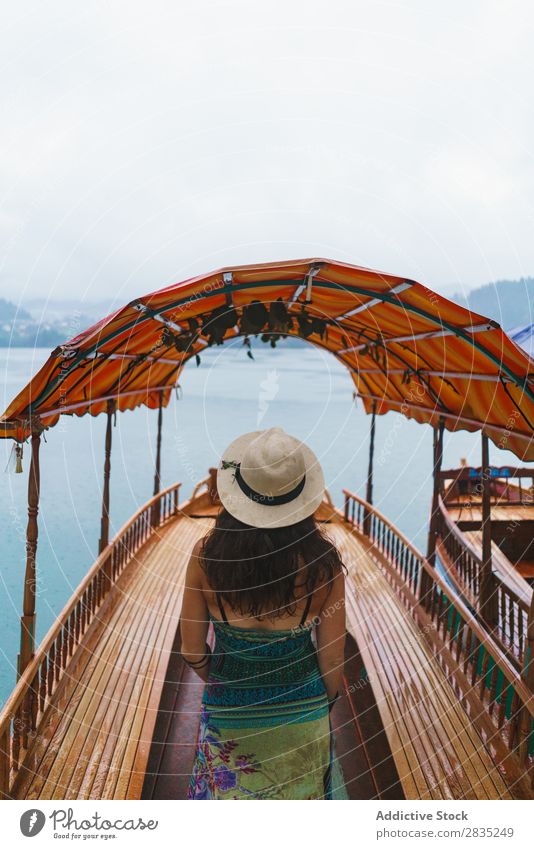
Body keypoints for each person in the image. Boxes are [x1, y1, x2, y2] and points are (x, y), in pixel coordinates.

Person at [180, 427, 346, 800]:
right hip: (304, 711)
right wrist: (319, 703)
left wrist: (227, 680)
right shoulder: (325, 566)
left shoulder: (205, 558)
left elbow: (191, 651)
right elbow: (333, 658)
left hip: (229, 716)